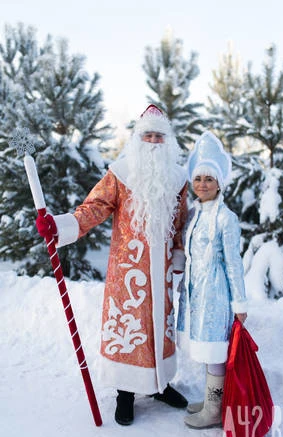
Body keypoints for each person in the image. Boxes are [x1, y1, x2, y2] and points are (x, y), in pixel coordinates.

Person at [36, 104, 188, 426]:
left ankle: (160, 385)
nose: (152, 141)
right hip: (127, 271)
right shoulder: (120, 173)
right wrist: (61, 226)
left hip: (161, 275)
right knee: (129, 331)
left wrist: (178, 254)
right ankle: (126, 393)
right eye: (147, 134)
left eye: (159, 136)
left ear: (168, 141)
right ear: (136, 138)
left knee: (159, 328)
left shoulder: (177, 179)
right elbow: (94, 207)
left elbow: (180, 222)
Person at [176, 131, 248, 429]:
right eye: (198, 179)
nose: (202, 184)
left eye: (209, 179)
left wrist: (239, 303)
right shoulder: (193, 214)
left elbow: (233, 262)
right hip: (196, 294)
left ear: (219, 183)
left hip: (216, 295)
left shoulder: (225, 217)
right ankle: (210, 400)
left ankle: (215, 410)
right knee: (205, 347)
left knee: (215, 348)